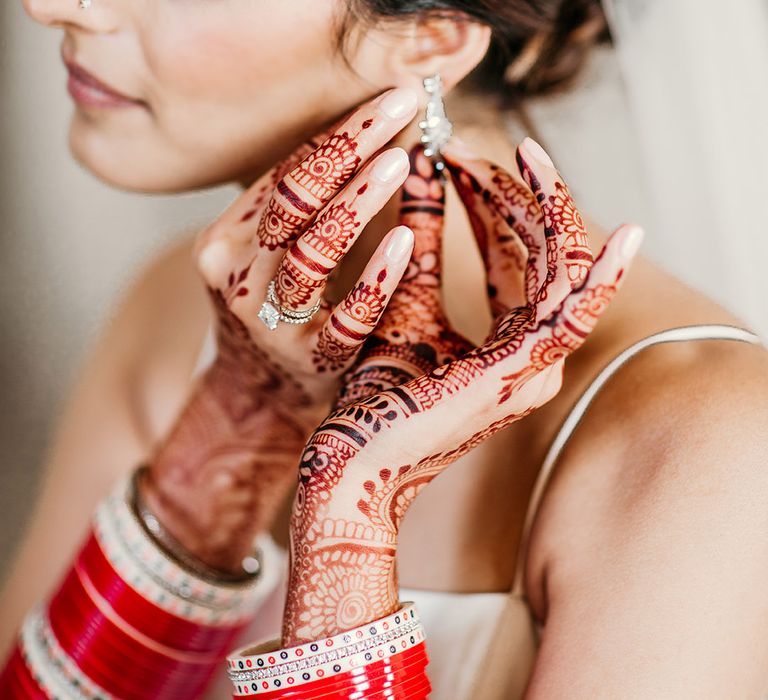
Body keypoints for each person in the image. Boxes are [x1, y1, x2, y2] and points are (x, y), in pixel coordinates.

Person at [2, 0, 768, 697]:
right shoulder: (186, 308)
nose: (51, 8)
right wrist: (240, 429)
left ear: (430, 35)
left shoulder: (707, 445)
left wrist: (348, 534)